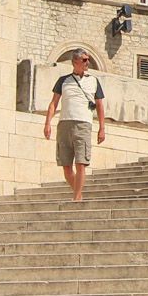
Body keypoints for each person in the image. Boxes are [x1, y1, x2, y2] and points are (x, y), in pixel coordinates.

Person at [43, 48, 105, 202]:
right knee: (65, 165)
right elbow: (53, 103)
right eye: (84, 60)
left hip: (83, 123)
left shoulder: (93, 81)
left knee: (81, 163)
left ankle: (76, 198)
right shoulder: (63, 80)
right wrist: (47, 123)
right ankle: (79, 193)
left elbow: (100, 105)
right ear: (75, 62)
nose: (87, 62)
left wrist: (102, 128)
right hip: (64, 123)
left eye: (88, 59)